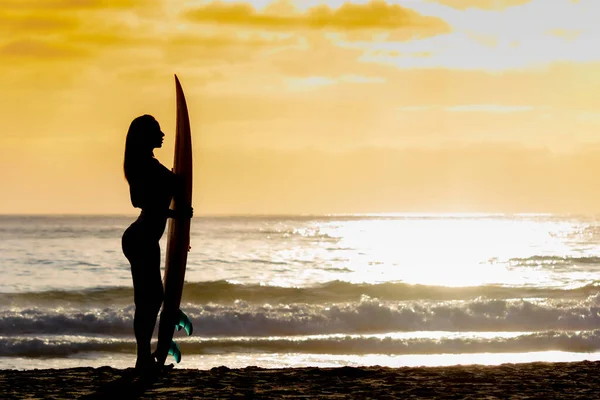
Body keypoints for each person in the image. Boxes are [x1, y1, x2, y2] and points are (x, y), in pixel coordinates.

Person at [121, 114, 192, 372]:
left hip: (146, 237)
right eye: (157, 131)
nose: (163, 135)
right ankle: (142, 360)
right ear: (145, 136)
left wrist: (179, 230)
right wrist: (176, 216)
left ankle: (144, 359)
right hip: (140, 238)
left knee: (151, 300)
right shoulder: (141, 165)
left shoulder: (149, 163)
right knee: (149, 300)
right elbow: (139, 201)